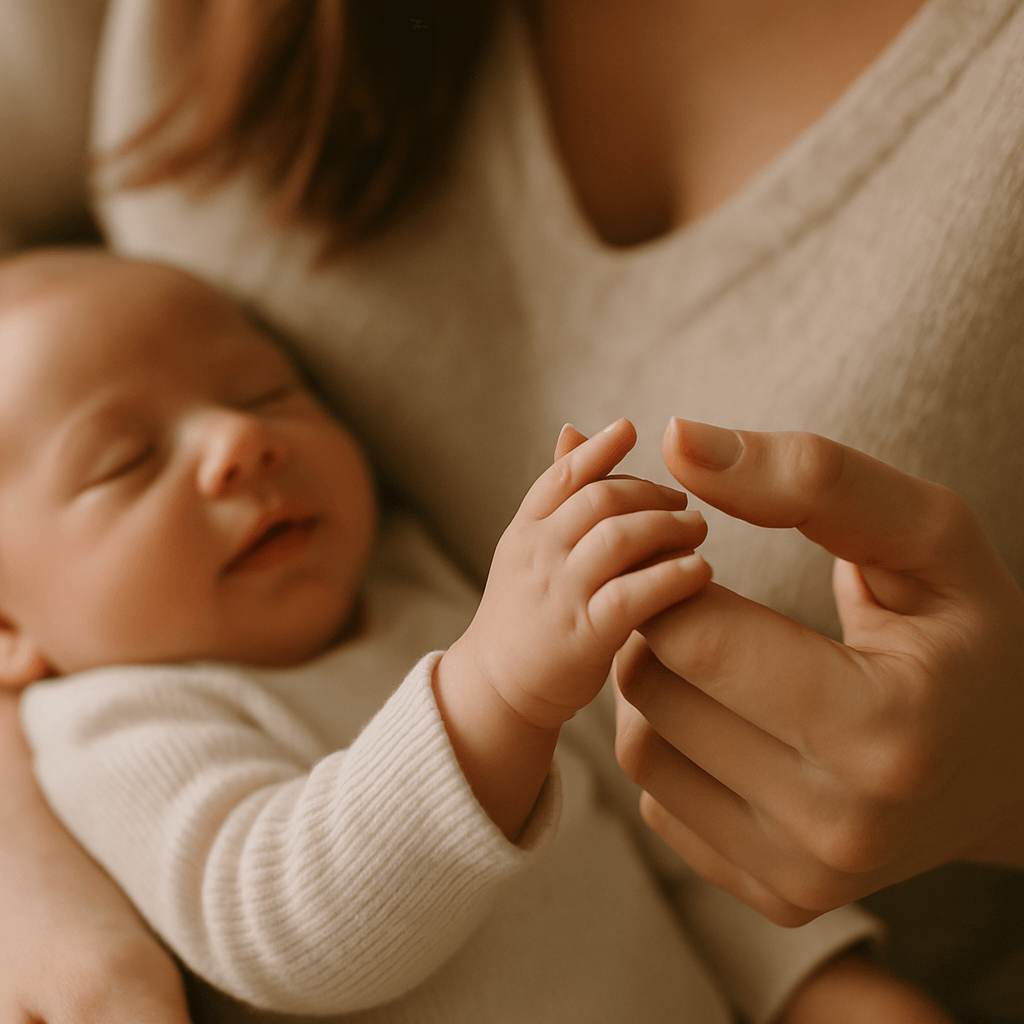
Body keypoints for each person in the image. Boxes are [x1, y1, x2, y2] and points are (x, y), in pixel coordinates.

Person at [2, 0, 1024, 1018]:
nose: (240, 440)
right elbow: (280, 919)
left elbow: (635, 828)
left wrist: (814, 986)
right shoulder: (116, 725)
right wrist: (495, 683)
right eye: (125, 461)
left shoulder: (413, 586)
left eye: (269, 388)